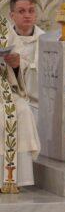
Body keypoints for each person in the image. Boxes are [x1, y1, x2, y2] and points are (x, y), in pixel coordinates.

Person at [0, 16, 41, 193]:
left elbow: (21, 57)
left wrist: (16, 64)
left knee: (22, 110)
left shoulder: (2, 26)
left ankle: (12, 179)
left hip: (3, 86)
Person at [8, 0, 45, 120]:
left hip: (41, 104)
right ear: (12, 16)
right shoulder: (5, 41)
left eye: (31, 11)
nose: (27, 15)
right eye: (21, 11)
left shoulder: (47, 42)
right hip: (11, 102)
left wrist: (20, 65)